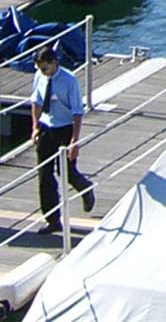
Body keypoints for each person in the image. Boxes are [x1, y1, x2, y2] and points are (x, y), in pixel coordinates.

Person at [29, 43, 94, 234]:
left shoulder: (69, 80)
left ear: (54, 63)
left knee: (67, 171)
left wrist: (74, 141)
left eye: (45, 68)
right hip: (47, 126)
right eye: (40, 68)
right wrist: (35, 126)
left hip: (65, 127)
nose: (43, 72)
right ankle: (52, 219)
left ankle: (85, 188)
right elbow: (36, 101)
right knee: (44, 175)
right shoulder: (39, 76)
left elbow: (77, 111)